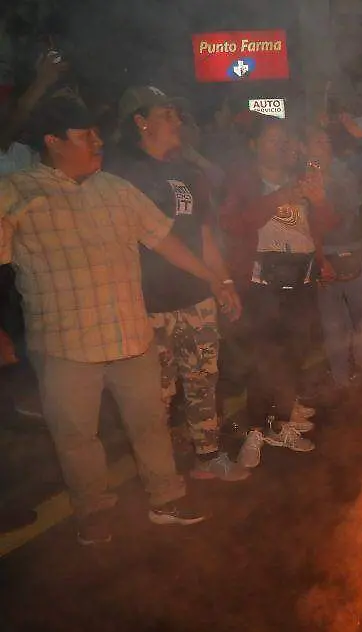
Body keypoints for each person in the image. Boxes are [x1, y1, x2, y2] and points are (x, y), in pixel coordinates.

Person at [0, 95, 238, 543]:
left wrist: (215, 279)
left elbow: (165, 240)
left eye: (95, 132)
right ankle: (94, 509)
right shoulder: (16, 192)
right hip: (66, 345)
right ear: (52, 141)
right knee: (77, 437)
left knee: (149, 423)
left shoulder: (114, 188)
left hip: (131, 335)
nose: (96, 141)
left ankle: (165, 497)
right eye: (83, 135)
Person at [106, 85, 248, 481]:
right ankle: (160, 473)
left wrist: (223, 281)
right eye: (167, 114)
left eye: (176, 114)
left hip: (196, 297)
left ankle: (208, 455)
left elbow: (204, 236)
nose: (177, 121)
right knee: (157, 394)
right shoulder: (120, 174)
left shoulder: (190, 173)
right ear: (140, 121)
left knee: (203, 378)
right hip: (147, 303)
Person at [222, 115, 335, 454]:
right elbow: (234, 224)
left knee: (293, 355)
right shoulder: (244, 183)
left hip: (300, 281)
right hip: (262, 285)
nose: (281, 145)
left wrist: (318, 202)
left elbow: (324, 226)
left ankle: (280, 423)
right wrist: (280, 196)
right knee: (263, 358)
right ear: (254, 145)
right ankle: (255, 429)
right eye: (272, 139)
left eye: (284, 139)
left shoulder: (301, 181)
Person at [305, 114, 362, 394]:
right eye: (317, 142)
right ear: (306, 149)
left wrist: (359, 133)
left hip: (358, 253)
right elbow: (304, 226)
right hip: (323, 257)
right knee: (333, 326)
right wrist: (318, 260)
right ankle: (341, 381)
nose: (324, 145)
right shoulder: (302, 179)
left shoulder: (348, 169)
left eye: (327, 141)